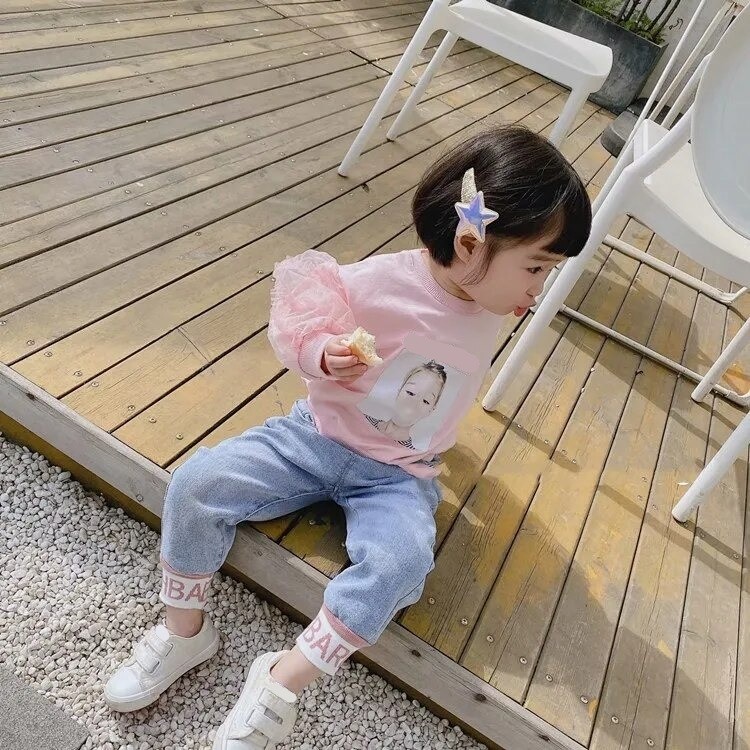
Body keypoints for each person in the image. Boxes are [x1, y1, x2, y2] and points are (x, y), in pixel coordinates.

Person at [104, 125, 592, 749]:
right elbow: (302, 320)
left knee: (402, 563)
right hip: (316, 435)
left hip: (400, 473)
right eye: (536, 268)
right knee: (198, 483)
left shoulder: (490, 300)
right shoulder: (379, 281)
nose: (537, 290)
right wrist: (322, 351)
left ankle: (283, 679)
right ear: (470, 243)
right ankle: (184, 630)